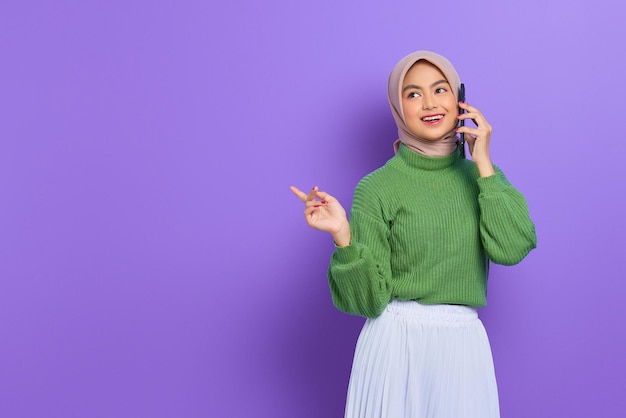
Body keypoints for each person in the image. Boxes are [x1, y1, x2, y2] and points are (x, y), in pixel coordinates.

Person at [290, 50, 536, 418]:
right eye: (413, 94)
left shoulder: (482, 180)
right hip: (395, 346)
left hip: (463, 348)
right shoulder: (377, 188)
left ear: (460, 99)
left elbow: (513, 247)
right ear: (397, 108)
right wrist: (343, 234)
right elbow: (370, 301)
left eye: (440, 90)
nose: (430, 103)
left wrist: (483, 162)